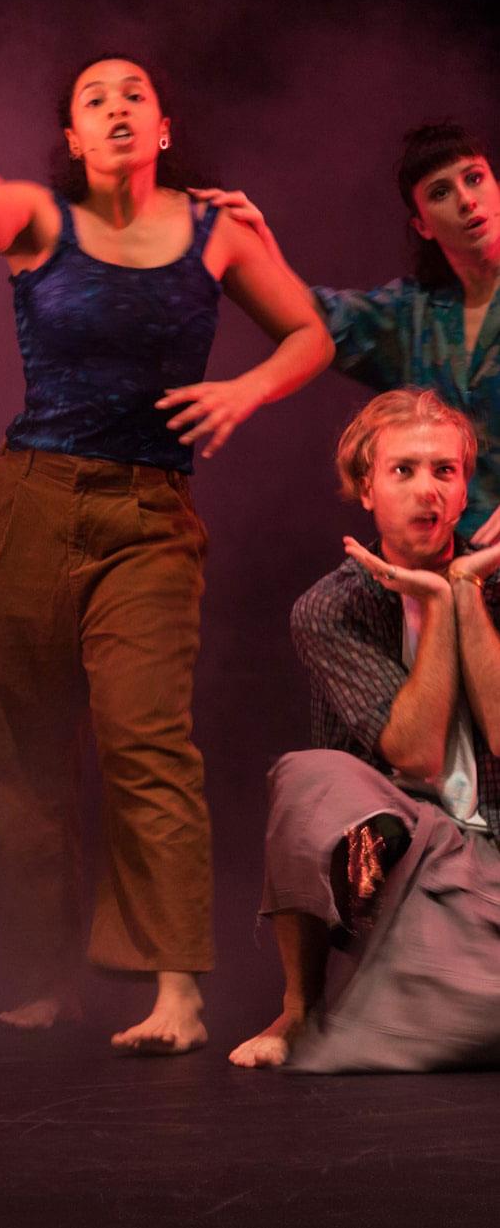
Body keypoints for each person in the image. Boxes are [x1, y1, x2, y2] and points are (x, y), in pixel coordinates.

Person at [0, 1, 333, 1053]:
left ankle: (176, 990)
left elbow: (308, 331)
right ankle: (45, 978)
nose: (115, 108)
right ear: (72, 138)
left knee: (146, 738)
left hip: (148, 516)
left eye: (133, 95)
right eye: (93, 99)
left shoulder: (217, 230)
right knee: (24, 749)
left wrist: (244, 389)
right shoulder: (42, 219)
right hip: (30, 500)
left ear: (162, 128)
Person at [230, 388, 500, 1073]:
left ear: (464, 490)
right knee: (309, 776)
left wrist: (464, 589)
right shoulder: (331, 607)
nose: (427, 490)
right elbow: (416, 752)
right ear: (366, 489)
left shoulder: (492, 581)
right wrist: (433, 600)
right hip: (386, 859)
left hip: (490, 856)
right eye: (403, 470)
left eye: (444, 470)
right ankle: (300, 1009)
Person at [195, 121, 500, 542]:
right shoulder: (413, 313)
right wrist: (260, 252)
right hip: (444, 555)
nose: (466, 200)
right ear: (422, 226)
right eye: (441, 192)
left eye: (475, 178)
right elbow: (314, 323)